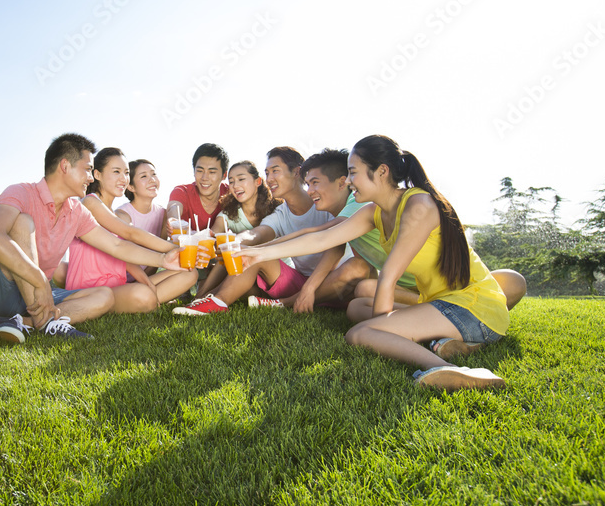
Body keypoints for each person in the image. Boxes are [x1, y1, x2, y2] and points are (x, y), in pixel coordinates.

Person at [237, 135, 511, 391]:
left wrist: (380, 332)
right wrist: (258, 254)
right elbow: (322, 239)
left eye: (353, 172)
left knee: (359, 334)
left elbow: (388, 276)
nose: (349, 181)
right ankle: (449, 343)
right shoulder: (374, 212)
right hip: (441, 303)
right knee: (357, 307)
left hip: (473, 309)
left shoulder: (418, 205)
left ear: (381, 171)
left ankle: (449, 368)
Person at [0, 133, 183, 343]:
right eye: (87, 169)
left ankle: (23, 322)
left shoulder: (77, 212)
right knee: (23, 223)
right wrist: (39, 279)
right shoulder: (20, 192)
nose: (90, 177)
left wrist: (163, 259)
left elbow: (117, 245)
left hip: (28, 299)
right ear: (65, 166)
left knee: (105, 296)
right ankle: (46, 322)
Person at [249, 148, 418, 312]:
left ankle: (283, 304)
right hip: (392, 284)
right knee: (356, 305)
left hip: (415, 288)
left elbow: (321, 237)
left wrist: (259, 251)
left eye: (315, 183)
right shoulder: (350, 211)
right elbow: (324, 240)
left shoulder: (358, 204)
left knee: (362, 281)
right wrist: (254, 250)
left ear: (341, 183)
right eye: (308, 184)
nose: (310, 191)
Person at [173, 146, 335, 315]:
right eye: (267, 173)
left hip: (333, 281)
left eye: (275, 171)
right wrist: (236, 242)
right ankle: (213, 301)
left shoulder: (324, 203)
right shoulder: (280, 213)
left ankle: (212, 299)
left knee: (256, 255)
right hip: (295, 280)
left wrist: (310, 288)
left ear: (296, 172)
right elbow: (256, 233)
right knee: (252, 254)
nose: (269, 179)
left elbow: (336, 247)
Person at [66, 148, 197, 312]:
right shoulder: (89, 203)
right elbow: (131, 233)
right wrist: (178, 249)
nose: (123, 178)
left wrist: (147, 282)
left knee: (189, 273)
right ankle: (141, 300)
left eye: (126, 172)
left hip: (118, 285)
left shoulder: (114, 214)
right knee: (143, 294)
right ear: (97, 174)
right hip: (91, 288)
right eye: (116, 172)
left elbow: (125, 257)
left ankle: (145, 299)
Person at [196, 160, 281, 298]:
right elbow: (214, 233)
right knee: (229, 251)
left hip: (274, 274)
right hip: (248, 278)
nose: (235, 186)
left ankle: (204, 296)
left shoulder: (276, 209)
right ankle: (200, 296)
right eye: (231, 182)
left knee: (234, 248)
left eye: (241, 179)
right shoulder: (228, 214)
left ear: (258, 181)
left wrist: (234, 243)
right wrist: (209, 241)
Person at [166, 143, 230, 234]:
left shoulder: (231, 193)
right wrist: (174, 219)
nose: (204, 178)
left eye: (212, 172)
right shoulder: (182, 192)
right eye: (200, 171)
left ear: (224, 175)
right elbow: (174, 206)